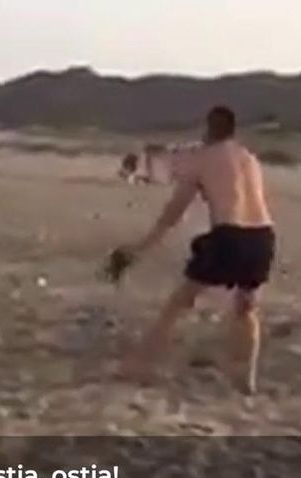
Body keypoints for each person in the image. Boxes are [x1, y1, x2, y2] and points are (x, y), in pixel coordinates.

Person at [115, 105, 276, 394]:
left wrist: (143, 245)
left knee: (178, 303)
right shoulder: (248, 158)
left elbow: (175, 210)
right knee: (246, 308)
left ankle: (140, 366)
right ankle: (246, 379)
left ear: (209, 128)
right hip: (262, 236)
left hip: (229, 236)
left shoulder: (203, 158)